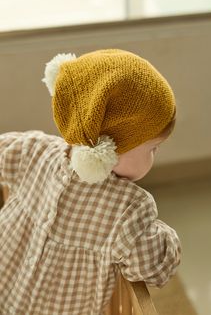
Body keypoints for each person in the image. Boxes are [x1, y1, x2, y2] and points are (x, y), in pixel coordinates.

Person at [0, 49, 181, 315]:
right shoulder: (129, 209)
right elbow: (156, 266)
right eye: (152, 148)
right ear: (112, 148)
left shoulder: (35, 149)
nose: (154, 157)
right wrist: (164, 238)